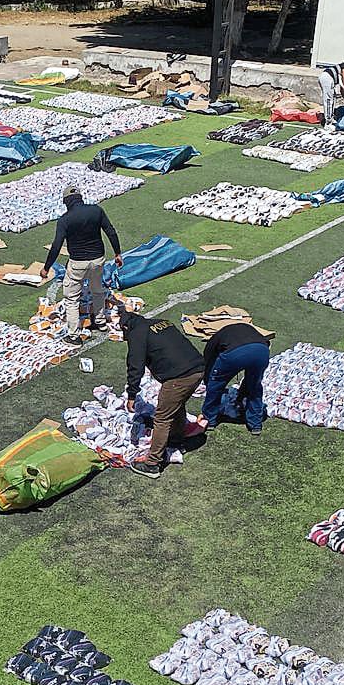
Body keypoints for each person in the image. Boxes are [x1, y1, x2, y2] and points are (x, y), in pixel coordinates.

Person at [120, 307, 206, 479]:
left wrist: (132, 395)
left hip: (180, 376)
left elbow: (135, 366)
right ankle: (176, 438)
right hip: (198, 368)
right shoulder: (161, 323)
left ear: (126, 328)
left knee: (162, 417)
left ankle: (152, 463)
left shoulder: (137, 333)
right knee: (176, 404)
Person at [39, 184, 124, 342]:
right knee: (98, 291)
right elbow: (110, 231)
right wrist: (118, 253)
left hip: (78, 263)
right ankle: (100, 322)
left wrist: (46, 268)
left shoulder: (65, 220)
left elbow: (57, 245)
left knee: (72, 298)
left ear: (66, 202)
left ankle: (73, 335)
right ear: (80, 198)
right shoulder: (96, 210)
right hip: (98, 259)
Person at [199, 320, 271, 436]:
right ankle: (255, 424)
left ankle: (210, 420)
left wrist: (209, 380)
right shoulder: (248, 330)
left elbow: (208, 359)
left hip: (236, 354)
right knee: (255, 387)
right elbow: (266, 344)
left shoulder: (217, 338)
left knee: (216, 384)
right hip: (262, 352)